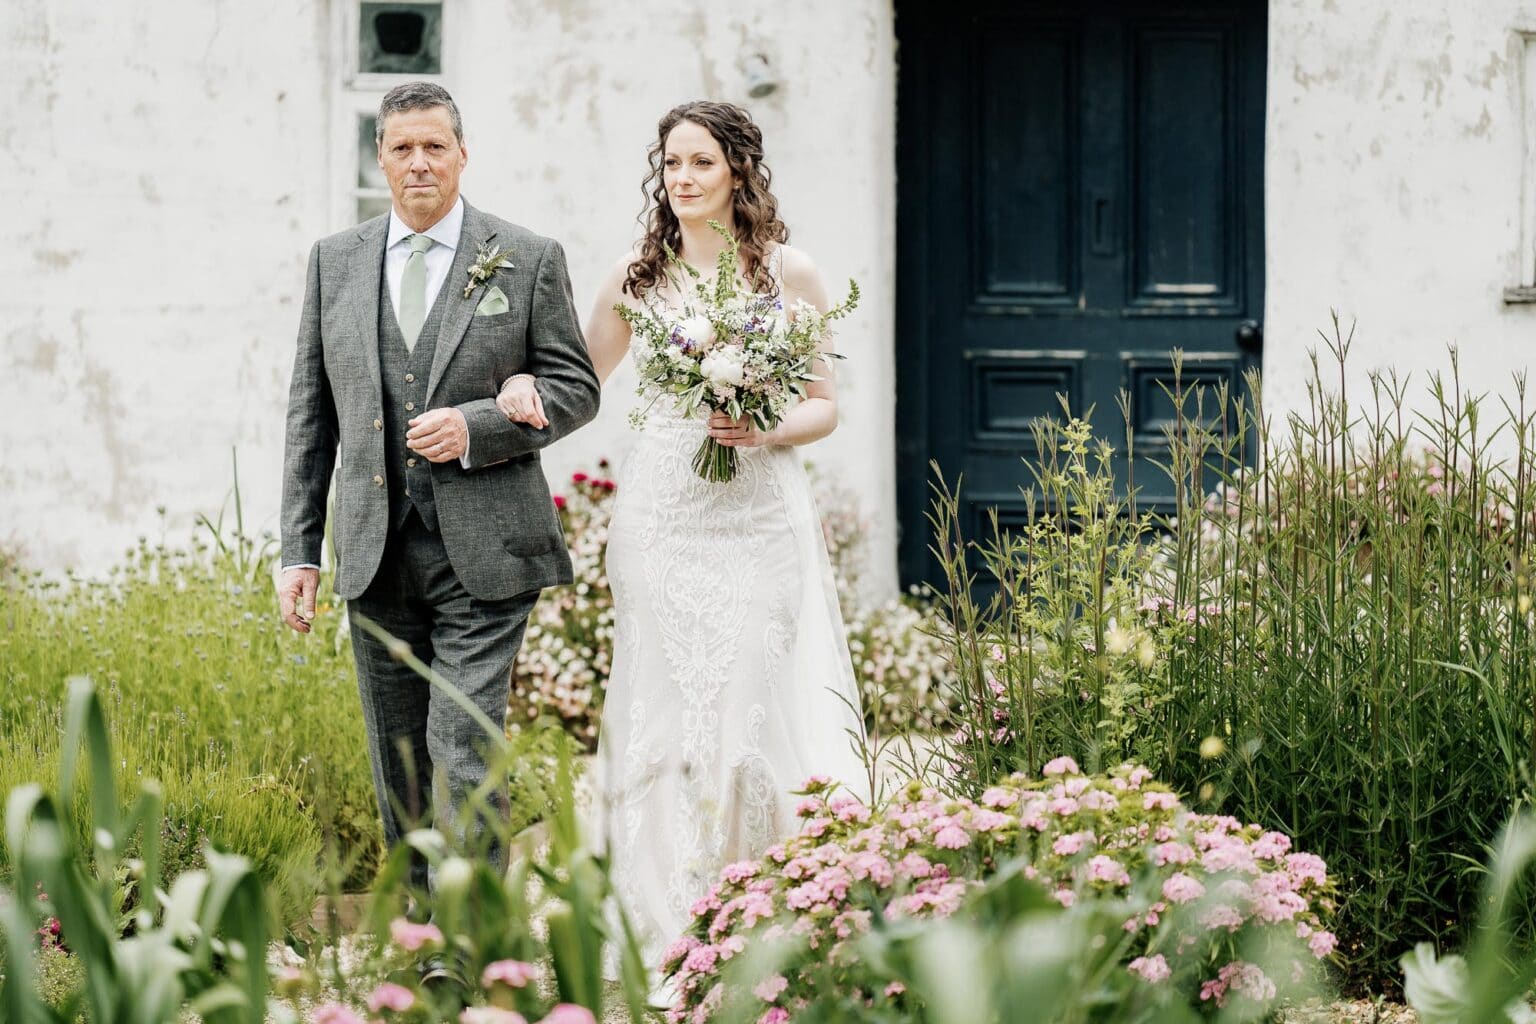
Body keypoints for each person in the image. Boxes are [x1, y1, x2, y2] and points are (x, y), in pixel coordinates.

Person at [496, 100, 867, 976]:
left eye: (701, 162)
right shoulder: (639, 274)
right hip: (663, 518)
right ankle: (666, 919)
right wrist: (516, 390)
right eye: (672, 164)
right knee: (665, 718)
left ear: (739, 169)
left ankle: (761, 911)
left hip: (759, 518)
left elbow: (824, 405)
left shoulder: (790, 274)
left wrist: (765, 429)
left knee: (746, 718)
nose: (685, 178)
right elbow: (576, 381)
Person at [278, 81, 599, 897]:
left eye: (434, 146)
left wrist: (481, 426)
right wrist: (297, 551)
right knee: (399, 758)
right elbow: (311, 416)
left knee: (461, 743)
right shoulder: (334, 261)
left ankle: (468, 935)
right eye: (401, 148)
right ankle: (420, 932)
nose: (418, 163)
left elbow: (574, 385)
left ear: (463, 154)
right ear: (379, 158)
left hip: (487, 551)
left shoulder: (526, 256)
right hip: (373, 550)